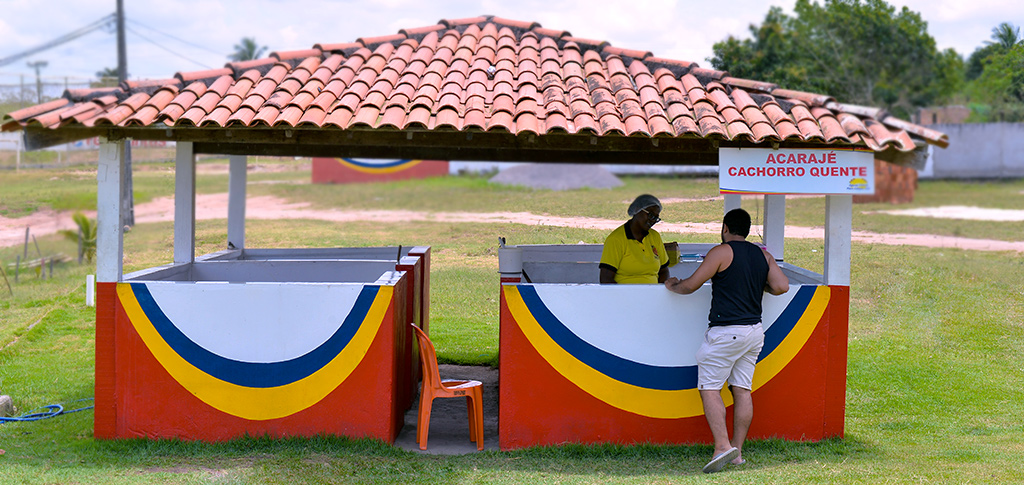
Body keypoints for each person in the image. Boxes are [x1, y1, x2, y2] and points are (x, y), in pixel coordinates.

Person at [664, 208, 789, 473]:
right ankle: (737, 452)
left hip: (725, 332)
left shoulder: (721, 252)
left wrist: (672, 285)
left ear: (725, 228)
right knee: (742, 389)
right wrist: (758, 284)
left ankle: (722, 446)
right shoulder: (762, 255)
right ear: (747, 229)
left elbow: (691, 285)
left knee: (709, 388)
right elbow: (781, 286)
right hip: (754, 332)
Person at [599, 194, 678, 284]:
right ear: (637, 210)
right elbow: (606, 279)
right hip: (626, 296)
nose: (652, 220)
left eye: (656, 218)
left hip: (652, 294)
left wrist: (660, 291)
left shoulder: (655, 237)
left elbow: (663, 270)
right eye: (650, 215)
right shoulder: (616, 239)